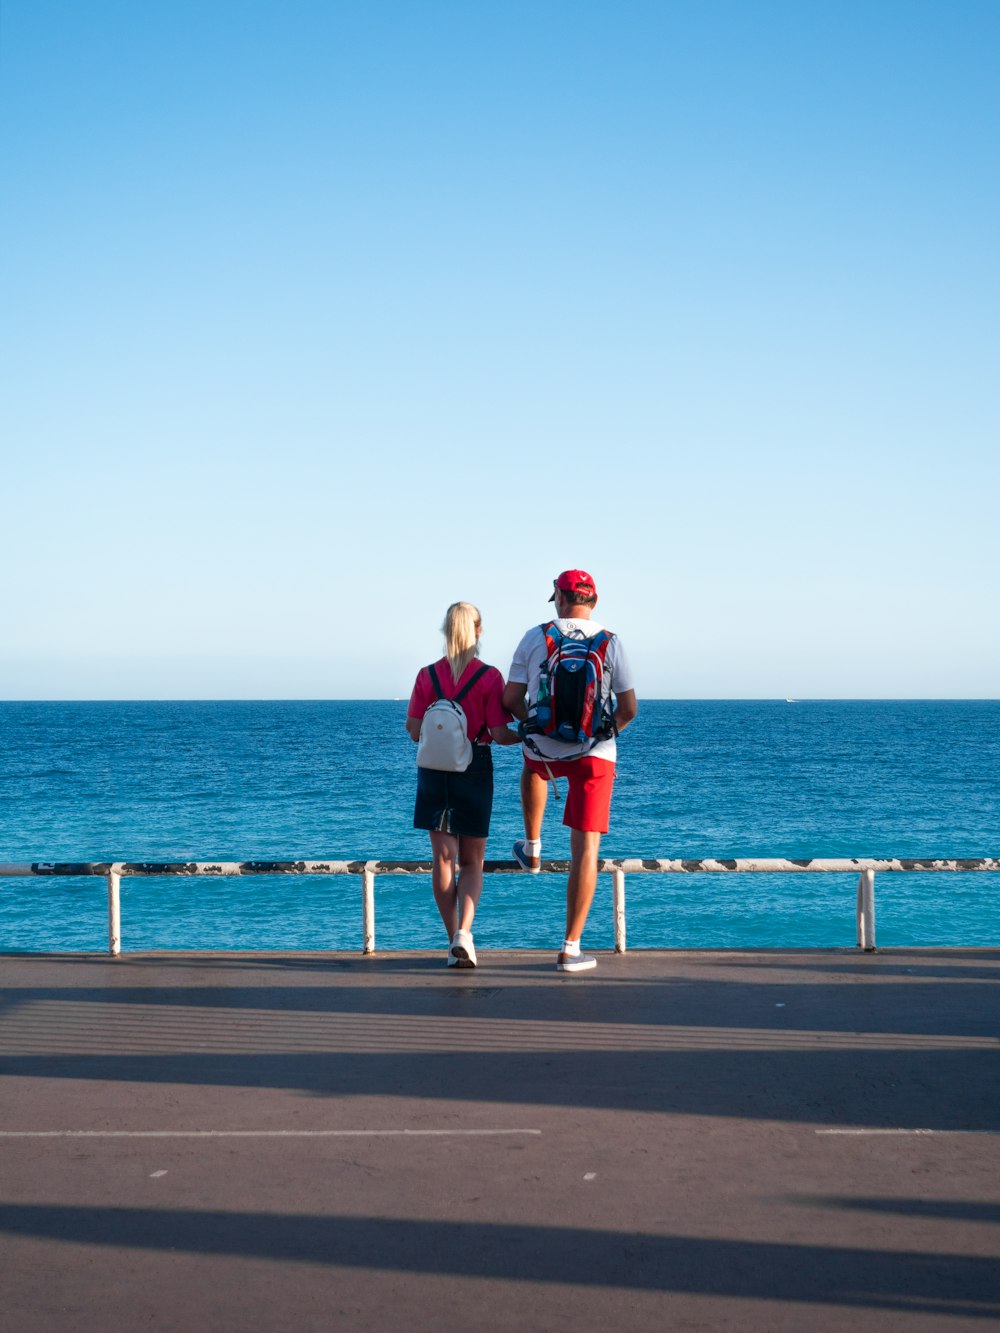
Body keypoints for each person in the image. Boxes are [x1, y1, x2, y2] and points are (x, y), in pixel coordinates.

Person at [502, 570, 637, 973]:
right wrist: (601, 734)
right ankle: (569, 949)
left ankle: (533, 848)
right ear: (593, 600)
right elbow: (629, 709)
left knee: (532, 769)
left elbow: (511, 697)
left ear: (559, 598)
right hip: (596, 756)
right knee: (586, 851)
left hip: (544, 750)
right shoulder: (611, 642)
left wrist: (536, 725)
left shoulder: (535, 636)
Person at [406, 602, 521, 969]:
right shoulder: (489, 678)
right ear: (479, 631)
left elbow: (413, 731)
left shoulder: (427, 676)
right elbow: (500, 734)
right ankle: (465, 934)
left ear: (444, 630)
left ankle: (452, 936)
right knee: (472, 861)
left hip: (433, 772)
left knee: (443, 860)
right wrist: (529, 738)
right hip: (475, 767)